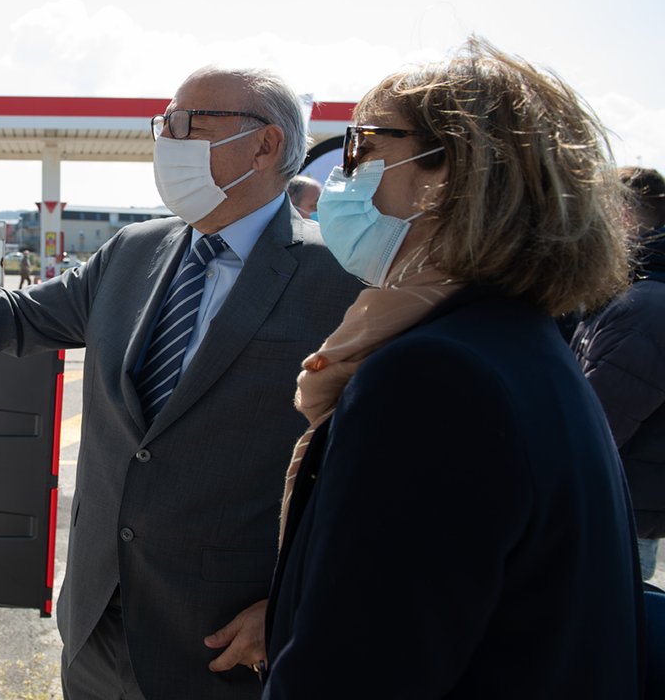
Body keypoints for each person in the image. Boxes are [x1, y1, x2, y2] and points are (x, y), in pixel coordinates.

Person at [0, 65, 363, 700]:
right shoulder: (134, 250)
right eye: (164, 123)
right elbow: (19, 316)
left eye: (190, 124)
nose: (168, 140)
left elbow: (369, 479)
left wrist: (291, 606)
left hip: (225, 640)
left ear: (265, 146)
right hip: (98, 616)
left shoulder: (339, 281)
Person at [262, 38, 643, 698]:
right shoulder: (517, 345)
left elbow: (359, 669)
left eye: (364, 146)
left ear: (447, 173)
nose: (341, 176)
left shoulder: (435, 380)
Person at [573, 166, 665, 583]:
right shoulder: (641, 295)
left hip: (615, 514)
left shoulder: (644, 307)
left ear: (623, 215)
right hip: (625, 507)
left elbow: (592, 434)